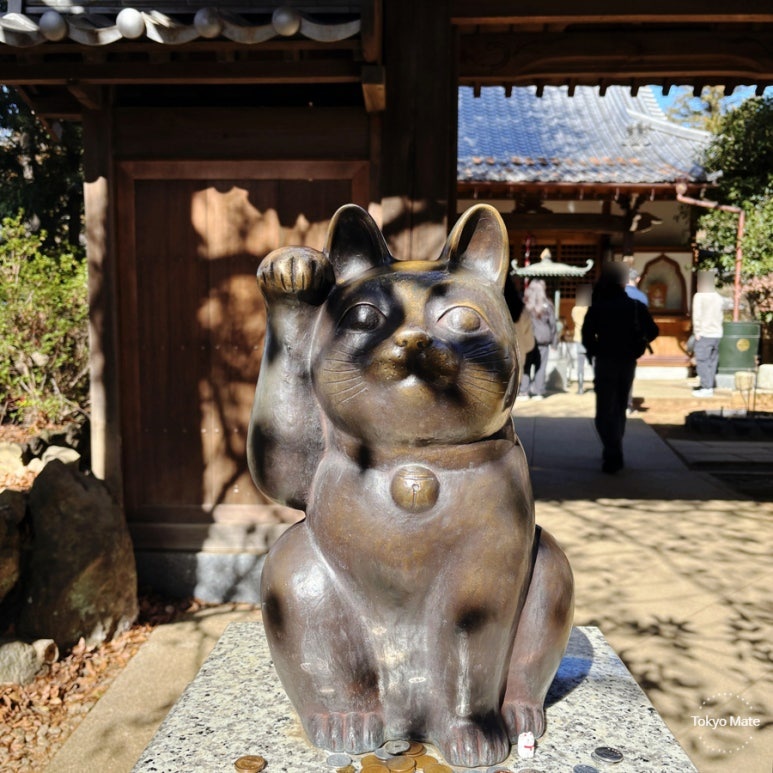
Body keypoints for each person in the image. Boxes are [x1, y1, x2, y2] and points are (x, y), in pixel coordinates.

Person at [582, 263, 659, 474]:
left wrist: (596, 350)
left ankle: (612, 450)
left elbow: (587, 336)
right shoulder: (635, 306)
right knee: (619, 406)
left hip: (605, 360)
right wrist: (638, 340)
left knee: (605, 409)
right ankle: (615, 448)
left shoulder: (598, 307)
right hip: (627, 361)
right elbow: (653, 330)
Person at [519, 279, 556, 400]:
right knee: (540, 366)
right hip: (543, 340)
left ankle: (524, 391)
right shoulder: (548, 305)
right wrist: (554, 342)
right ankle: (538, 391)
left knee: (526, 365)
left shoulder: (524, 305)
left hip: (527, 339)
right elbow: (553, 325)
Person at [691, 271, 724, 397]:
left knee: (702, 361)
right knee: (712, 361)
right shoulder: (718, 297)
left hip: (704, 333)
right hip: (717, 333)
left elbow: (697, 315)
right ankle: (709, 385)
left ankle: (706, 387)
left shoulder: (700, 296)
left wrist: (697, 331)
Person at [571, 284, 592, 394]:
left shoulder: (575, 309)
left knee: (580, 365)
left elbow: (575, 320)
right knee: (594, 363)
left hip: (579, 338)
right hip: (590, 340)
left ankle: (580, 387)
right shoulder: (591, 310)